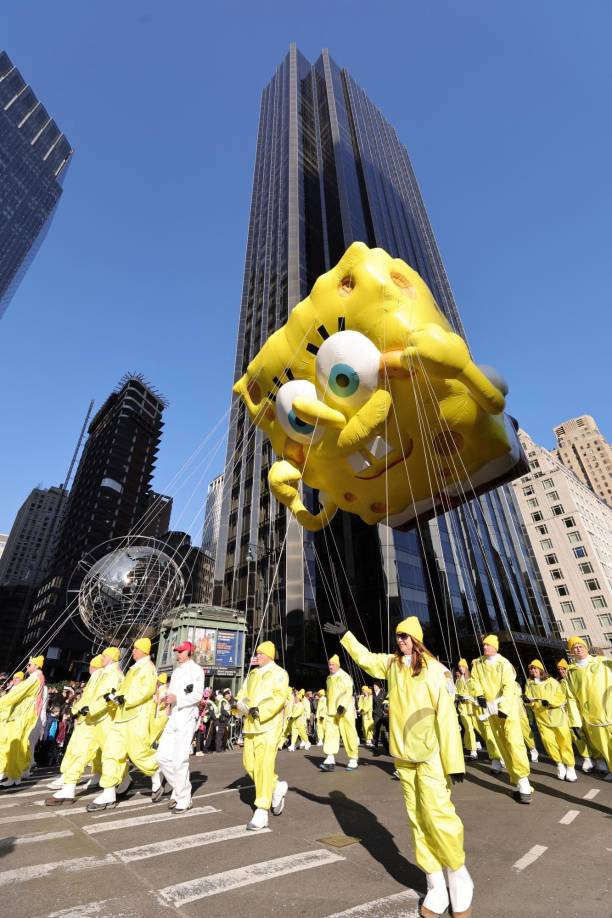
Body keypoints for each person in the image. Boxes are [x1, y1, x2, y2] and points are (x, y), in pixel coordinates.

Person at [325, 617, 473, 918]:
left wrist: (454, 761)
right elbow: (367, 660)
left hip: (431, 754)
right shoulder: (392, 665)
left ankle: (459, 878)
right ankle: (435, 885)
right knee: (417, 820)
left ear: (416, 638)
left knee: (438, 816)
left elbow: (446, 716)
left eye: (406, 637)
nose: (401, 641)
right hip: (403, 756)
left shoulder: (436, 670)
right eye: (398, 637)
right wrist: (347, 636)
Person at [87, 637, 162, 812]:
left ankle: (157, 772)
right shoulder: (132, 669)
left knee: (139, 753)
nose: (133, 651)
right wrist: (114, 697)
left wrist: (124, 699)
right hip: (121, 717)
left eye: (136, 648)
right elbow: (124, 691)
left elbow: (146, 690)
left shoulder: (148, 669)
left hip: (136, 717)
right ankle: (108, 791)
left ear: (143, 650)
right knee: (111, 753)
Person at [47, 646, 127, 801]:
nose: (101, 658)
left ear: (110, 657)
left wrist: (89, 709)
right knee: (79, 750)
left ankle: (121, 781)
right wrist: (77, 709)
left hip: (105, 721)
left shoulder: (115, 675)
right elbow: (89, 696)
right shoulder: (102, 674)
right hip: (91, 719)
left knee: (110, 755)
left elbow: (107, 698)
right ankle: (69, 787)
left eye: (104, 656)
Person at [232, 640, 290, 831]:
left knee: (264, 765)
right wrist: (236, 705)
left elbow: (279, 697)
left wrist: (261, 711)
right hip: (250, 725)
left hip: (268, 725)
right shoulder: (253, 674)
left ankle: (262, 810)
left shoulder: (280, 673)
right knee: (249, 765)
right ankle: (276, 787)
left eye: (260, 653)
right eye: (257, 653)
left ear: (269, 654)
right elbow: (243, 694)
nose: (257, 655)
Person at [470, 635, 534, 803]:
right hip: (490, 711)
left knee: (514, 743)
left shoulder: (504, 664)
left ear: (496, 647)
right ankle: (518, 782)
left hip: (507, 710)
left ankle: (524, 782)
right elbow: (474, 681)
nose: (485, 647)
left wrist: (503, 708)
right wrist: (479, 694)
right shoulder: (477, 663)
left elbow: (509, 687)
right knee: (502, 744)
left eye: (488, 645)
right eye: (483, 645)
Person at [155, 640, 204, 813]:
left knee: (180, 759)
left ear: (189, 652)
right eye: (177, 651)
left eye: (181, 651)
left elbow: (197, 695)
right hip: (174, 716)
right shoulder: (175, 672)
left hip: (187, 716)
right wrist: (166, 700)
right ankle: (180, 788)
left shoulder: (197, 670)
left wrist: (178, 699)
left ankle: (184, 798)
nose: (178, 654)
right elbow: (171, 693)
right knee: (161, 757)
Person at [564, 635, 611, 780]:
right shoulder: (571, 672)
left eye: (580, 646)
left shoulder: (602, 661)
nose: (578, 649)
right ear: (571, 652)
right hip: (591, 715)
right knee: (602, 743)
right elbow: (571, 697)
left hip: (609, 708)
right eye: (574, 648)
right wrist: (575, 721)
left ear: (586, 647)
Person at [524, 660, 577, 781]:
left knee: (564, 741)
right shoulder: (529, 683)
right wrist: (527, 701)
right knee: (549, 742)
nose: (533, 671)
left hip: (558, 717)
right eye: (531, 669)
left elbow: (561, 696)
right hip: (542, 718)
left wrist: (549, 701)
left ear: (541, 669)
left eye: (535, 668)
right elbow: (528, 697)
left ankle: (570, 766)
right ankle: (559, 764)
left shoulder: (552, 681)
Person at [0, 656, 46, 787]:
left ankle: (14, 776)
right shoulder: (37, 678)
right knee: (16, 744)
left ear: (36, 666)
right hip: (22, 715)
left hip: (22, 716)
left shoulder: (34, 678)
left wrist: (1, 702)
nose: (27, 667)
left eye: (29, 665)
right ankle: (14, 775)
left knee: (16, 744)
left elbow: (17, 694)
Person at [319, 653, 359, 772]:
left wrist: (342, 705)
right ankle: (330, 759)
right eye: (329, 664)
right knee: (330, 733)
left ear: (337, 665)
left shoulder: (344, 676)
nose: (330, 667)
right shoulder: (329, 678)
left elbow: (348, 692)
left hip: (344, 711)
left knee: (348, 733)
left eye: (332, 665)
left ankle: (353, 759)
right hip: (331, 711)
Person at [556, 658, 595, 772]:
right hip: (571, 715)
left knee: (591, 734)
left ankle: (598, 757)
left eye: (563, 669)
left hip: (585, 712)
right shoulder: (560, 683)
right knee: (577, 736)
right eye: (559, 669)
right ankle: (587, 758)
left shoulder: (575, 678)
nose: (561, 671)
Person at [454, 660, 478, 760]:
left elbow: (477, 691)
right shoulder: (458, 681)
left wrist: (469, 697)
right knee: (468, 728)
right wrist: (458, 697)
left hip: (473, 707)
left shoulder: (472, 679)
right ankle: (473, 750)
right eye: (459, 667)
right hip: (463, 707)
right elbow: (455, 692)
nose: (460, 668)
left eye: (462, 666)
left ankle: (496, 751)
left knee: (480, 729)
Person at [150, 672, 170, 746]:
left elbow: (160, 702)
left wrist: (154, 697)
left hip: (161, 715)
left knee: (153, 734)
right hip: (164, 715)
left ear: (159, 681)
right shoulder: (165, 689)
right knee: (161, 736)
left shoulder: (162, 690)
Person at [371, 681, 388, 754]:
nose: (374, 687)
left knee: (387, 729)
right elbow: (372, 704)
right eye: (373, 686)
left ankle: (388, 746)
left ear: (378, 686)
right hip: (376, 714)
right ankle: (375, 745)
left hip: (384, 714)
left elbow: (387, 702)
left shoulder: (384, 693)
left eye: (375, 686)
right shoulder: (373, 695)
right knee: (376, 729)